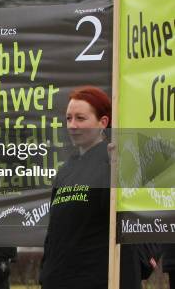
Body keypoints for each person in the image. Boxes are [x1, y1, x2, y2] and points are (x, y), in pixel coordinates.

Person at [40, 86, 112, 289]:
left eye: (80, 118)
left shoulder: (111, 165)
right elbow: (54, 233)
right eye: (68, 118)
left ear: (103, 123)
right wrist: (45, 273)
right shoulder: (65, 170)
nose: (72, 125)